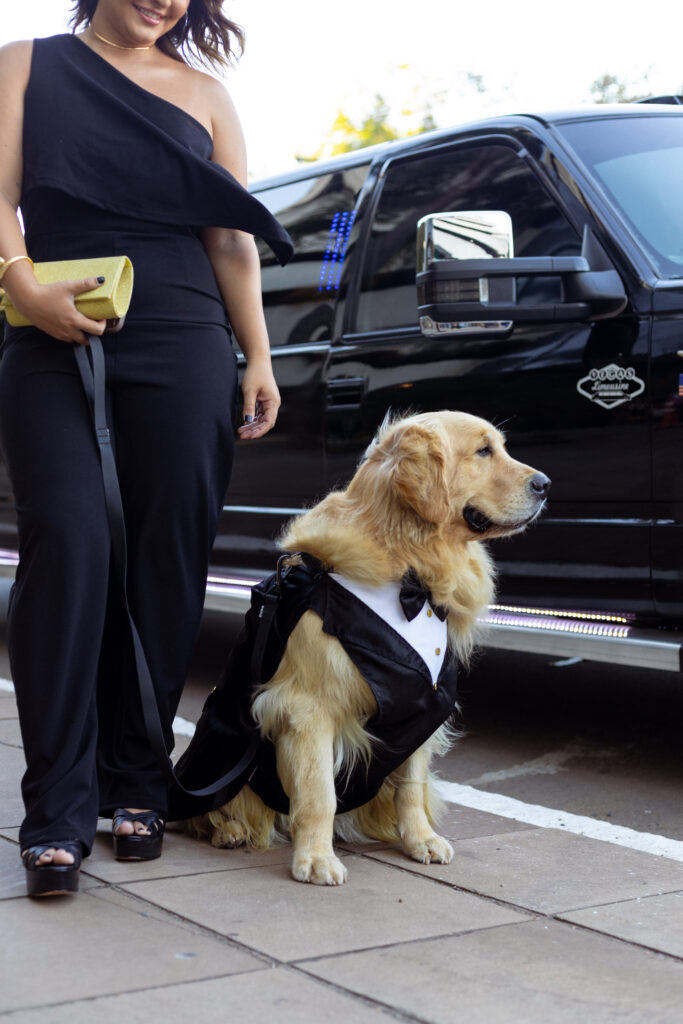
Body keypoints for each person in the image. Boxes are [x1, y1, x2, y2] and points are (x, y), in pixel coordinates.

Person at [0, 0, 292, 897]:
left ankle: (136, 783)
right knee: (70, 546)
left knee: (166, 559)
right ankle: (54, 808)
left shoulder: (207, 95)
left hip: (186, 334)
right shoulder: (25, 62)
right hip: (53, 324)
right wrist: (19, 283)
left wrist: (258, 355)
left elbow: (230, 239)